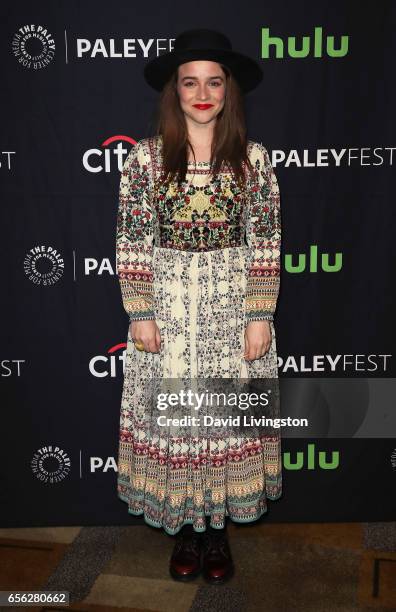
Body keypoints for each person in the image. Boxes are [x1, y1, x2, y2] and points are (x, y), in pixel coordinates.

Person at [116, 28, 282, 585]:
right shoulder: (143, 161)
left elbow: (266, 240)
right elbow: (132, 241)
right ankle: (187, 530)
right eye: (190, 82)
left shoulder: (253, 161)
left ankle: (217, 537)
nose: (203, 93)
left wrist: (260, 315)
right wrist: (139, 310)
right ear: (175, 91)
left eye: (214, 82)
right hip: (168, 309)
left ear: (229, 90)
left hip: (232, 308)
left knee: (226, 425)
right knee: (178, 422)